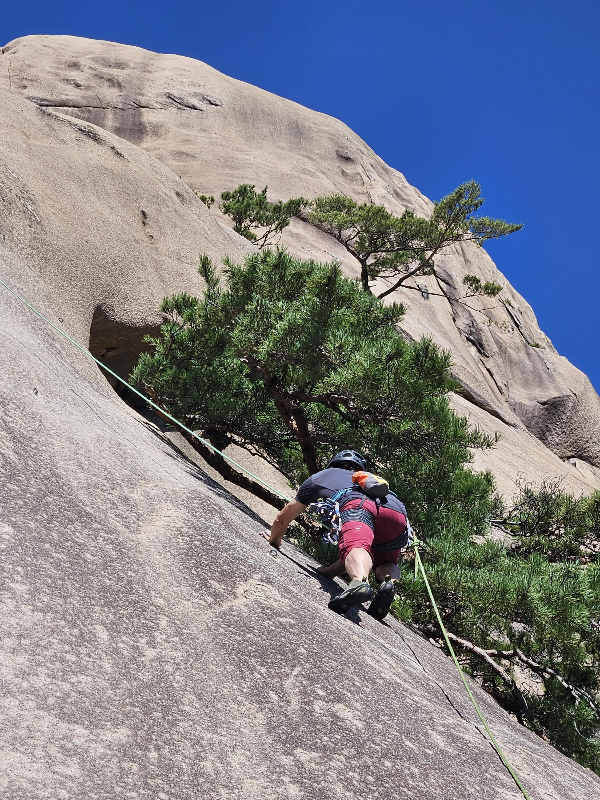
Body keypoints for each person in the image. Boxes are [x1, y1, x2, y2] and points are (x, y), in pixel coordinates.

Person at [260, 450, 409, 619]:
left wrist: (274, 539)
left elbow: (282, 519)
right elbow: (356, 556)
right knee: (385, 561)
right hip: (398, 514)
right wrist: (329, 572)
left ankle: (360, 582)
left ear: (333, 465)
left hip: (358, 504)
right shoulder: (370, 481)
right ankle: (389, 583)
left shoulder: (322, 476)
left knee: (356, 546)